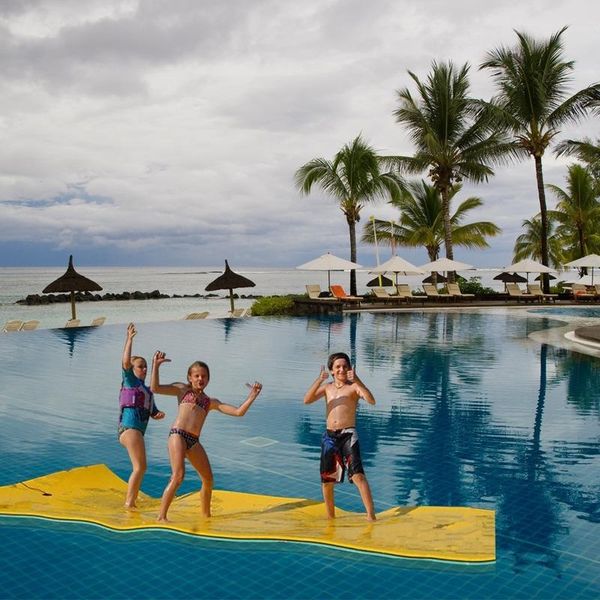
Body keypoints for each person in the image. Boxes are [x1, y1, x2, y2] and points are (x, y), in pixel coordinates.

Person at [151, 351, 263, 521]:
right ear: (189, 377)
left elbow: (239, 412)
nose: (200, 379)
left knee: (208, 479)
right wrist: (156, 366)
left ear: (208, 379)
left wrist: (252, 396)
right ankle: (161, 517)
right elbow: (155, 388)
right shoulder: (182, 390)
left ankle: (206, 516)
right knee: (178, 475)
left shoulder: (210, 402)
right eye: (196, 376)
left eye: (203, 376)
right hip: (178, 435)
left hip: (193, 441)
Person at [303, 352, 376, 521]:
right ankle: (330, 517)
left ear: (350, 369)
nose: (342, 369)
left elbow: (371, 400)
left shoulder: (353, 387)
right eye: (338, 367)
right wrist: (319, 380)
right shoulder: (327, 388)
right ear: (332, 370)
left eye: (345, 366)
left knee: (357, 475)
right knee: (327, 480)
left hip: (348, 435)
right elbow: (307, 400)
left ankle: (371, 516)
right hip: (329, 437)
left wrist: (357, 380)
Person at [118, 323, 165, 508]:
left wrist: (158, 414)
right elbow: (125, 363)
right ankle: (129, 503)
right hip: (129, 429)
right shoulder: (130, 381)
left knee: (141, 468)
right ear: (133, 369)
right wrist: (129, 339)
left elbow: (153, 412)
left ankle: (132, 500)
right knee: (139, 467)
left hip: (135, 431)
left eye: (145, 367)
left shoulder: (147, 391)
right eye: (140, 366)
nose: (143, 369)